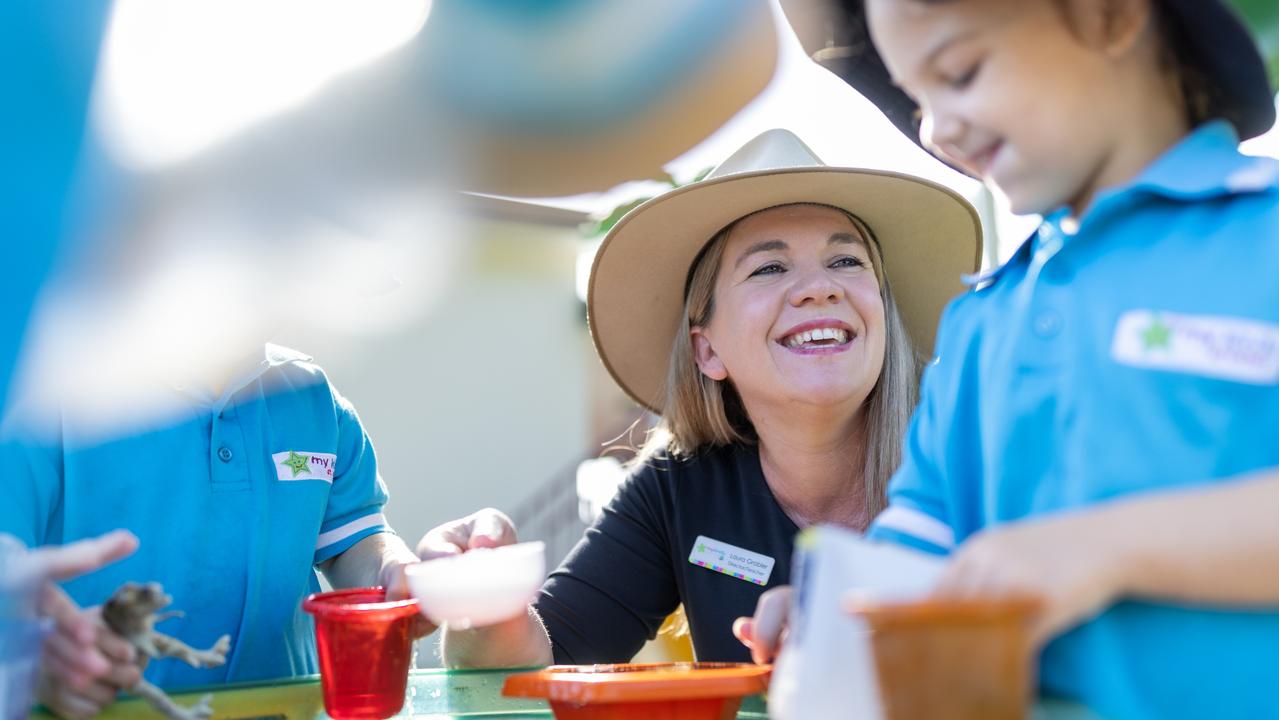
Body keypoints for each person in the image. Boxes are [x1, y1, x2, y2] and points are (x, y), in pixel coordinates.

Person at [751, 1, 1279, 717]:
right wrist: (844, 608)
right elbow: (921, 540)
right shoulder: (979, 320)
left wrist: (1108, 548)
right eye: (916, 100)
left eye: (959, 73)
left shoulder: (1262, 238)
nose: (935, 129)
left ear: (1107, 17)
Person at [416, 128, 981, 667]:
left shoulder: (973, 453)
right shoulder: (677, 486)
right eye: (770, 267)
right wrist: (480, 602)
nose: (821, 286)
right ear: (707, 350)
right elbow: (543, 658)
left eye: (846, 261)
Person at [0, 344, 425, 719]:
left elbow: (352, 542)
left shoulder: (312, 394)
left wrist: (394, 569)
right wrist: (33, 650)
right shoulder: (42, 391)